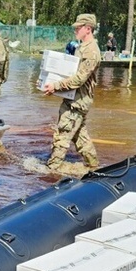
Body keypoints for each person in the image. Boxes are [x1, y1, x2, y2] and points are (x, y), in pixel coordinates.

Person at [43, 13, 101, 170]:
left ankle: (51, 170)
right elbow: (70, 74)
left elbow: (79, 79)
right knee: (80, 137)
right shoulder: (82, 47)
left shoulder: (91, 51)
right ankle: (94, 167)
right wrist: (49, 84)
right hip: (75, 98)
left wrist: (56, 86)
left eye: (78, 27)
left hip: (78, 101)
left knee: (62, 135)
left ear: (88, 29)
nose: (75, 29)